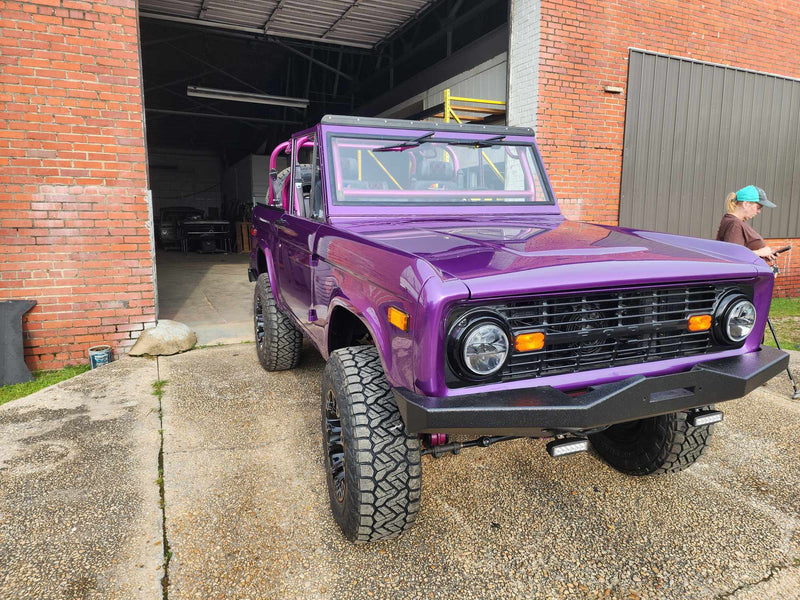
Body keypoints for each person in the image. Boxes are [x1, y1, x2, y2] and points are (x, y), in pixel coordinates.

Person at [716, 185, 778, 262]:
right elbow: (733, 257)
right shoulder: (735, 224)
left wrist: (765, 254)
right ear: (745, 204)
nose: (759, 211)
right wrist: (760, 252)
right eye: (758, 207)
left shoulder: (733, 221)